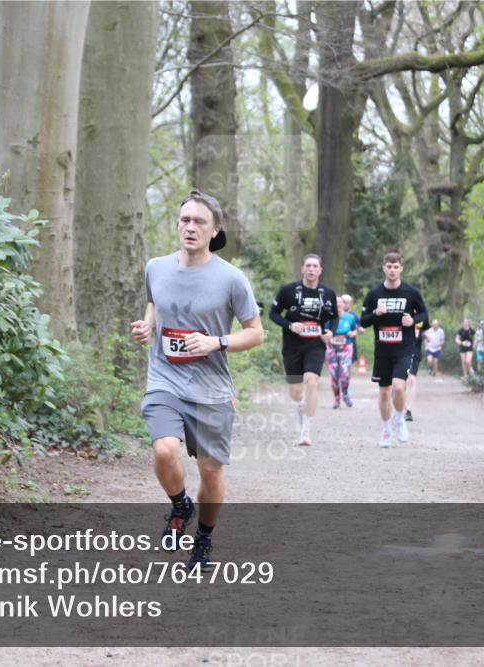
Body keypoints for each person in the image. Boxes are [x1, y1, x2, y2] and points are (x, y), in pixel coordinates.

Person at [130, 190, 263, 570]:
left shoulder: (231, 279)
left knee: (210, 471)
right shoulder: (156, 267)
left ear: (214, 229)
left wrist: (215, 341)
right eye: (185, 220)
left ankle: (203, 540)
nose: (190, 227)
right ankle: (178, 505)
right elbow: (155, 301)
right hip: (165, 379)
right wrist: (148, 326)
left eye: (199, 221)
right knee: (164, 450)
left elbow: (255, 333)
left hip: (211, 389)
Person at [360, 252, 428, 447]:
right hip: (382, 351)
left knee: (398, 387)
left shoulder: (411, 292)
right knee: (383, 393)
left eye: (395, 266)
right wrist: (375, 313)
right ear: (384, 268)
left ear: (401, 268)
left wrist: (412, 320)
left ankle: (399, 419)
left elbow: (424, 314)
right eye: (389, 267)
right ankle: (386, 429)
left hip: (404, 349)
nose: (392, 270)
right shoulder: (374, 294)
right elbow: (363, 322)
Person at [269, 254, 337, 446]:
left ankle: (306, 430)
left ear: (320, 270)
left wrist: (330, 331)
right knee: (296, 391)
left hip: (315, 344)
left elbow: (334, 317)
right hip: (292, 345)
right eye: (308, 265)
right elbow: (273, 314)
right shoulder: (288, 291)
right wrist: (290, 325)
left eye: (315, 266)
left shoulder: (328, 293)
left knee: (312, 381)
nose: (311, 269)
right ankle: (300, 406)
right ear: (302, 268)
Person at [326, 295, 358, 408]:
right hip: (331, 348)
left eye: (341, 302)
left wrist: (353, 333)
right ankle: (336, 400)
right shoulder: (328, 317)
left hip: (346, 347)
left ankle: (345, 393)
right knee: (334, 375)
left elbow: (355, 330)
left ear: (344, 305)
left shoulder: (350, 318)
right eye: (336, 302)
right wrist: (327, 335)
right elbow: (323, 331)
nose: (338, 304)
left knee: (344, 374)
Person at [404, 320, 423, 422]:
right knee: (401, 383)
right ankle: (401, 406)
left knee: (411, 380)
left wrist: (426, 335)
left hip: (415, 354)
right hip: (401, 353)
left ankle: (408, 410)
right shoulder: (402, 317)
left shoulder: (421, 321)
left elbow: (428, 334)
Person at [342, 293, 360, 365]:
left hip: (350, 343)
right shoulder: (336, 314)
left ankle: (347, 375)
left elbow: (359, 326)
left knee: (348, 363)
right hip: (337, 343)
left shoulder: (353, 315)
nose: (345, 304)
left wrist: (359, 329)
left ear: (351, 303)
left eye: (347, 302)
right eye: (343, 302)